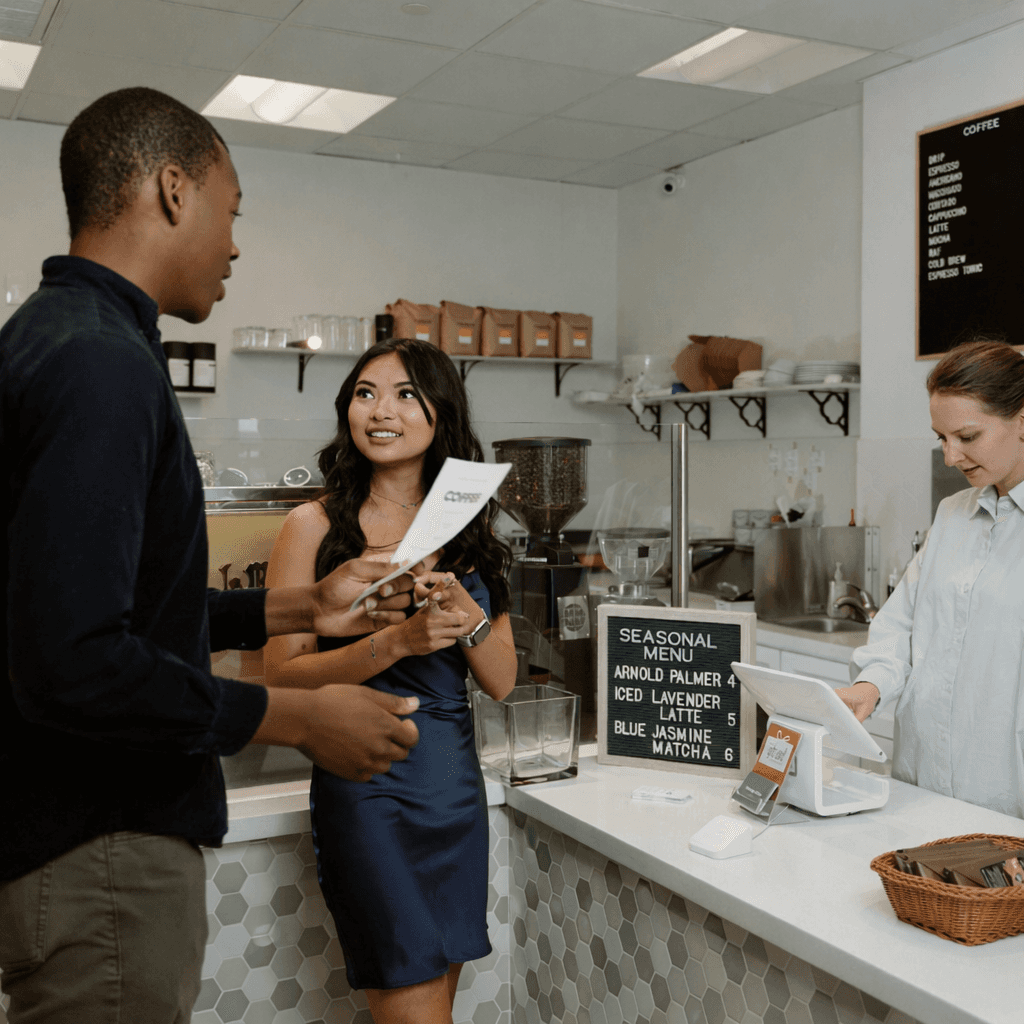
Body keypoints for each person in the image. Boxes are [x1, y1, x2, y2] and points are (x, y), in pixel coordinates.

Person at [0, 88, 422, 1024]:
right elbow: (74, 662)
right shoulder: (100, 362)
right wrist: (299, 718)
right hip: (103, 840)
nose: (235, 246)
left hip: (71, 836)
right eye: (233, 212)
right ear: (174, 189)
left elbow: (113, 610)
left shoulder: (56, 337)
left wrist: (298, 610)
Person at [263, 337, 518, 1024]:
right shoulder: (311, 525)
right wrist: (395, 641)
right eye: (366, 393)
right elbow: (279, 676)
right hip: (367, 789)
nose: (381, 410)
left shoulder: (470, 526)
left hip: (452, 789)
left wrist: (466, 622)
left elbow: (502, 680)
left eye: (407, 393)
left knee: (438, 1001)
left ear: (441, 414)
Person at [838, 338, 1024, 818]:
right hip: (920, 782)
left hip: (1003, 799)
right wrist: (871, 685)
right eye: (941, 439)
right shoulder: (952, 515)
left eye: (966, 437)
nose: (949, 456)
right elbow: (901, 626)